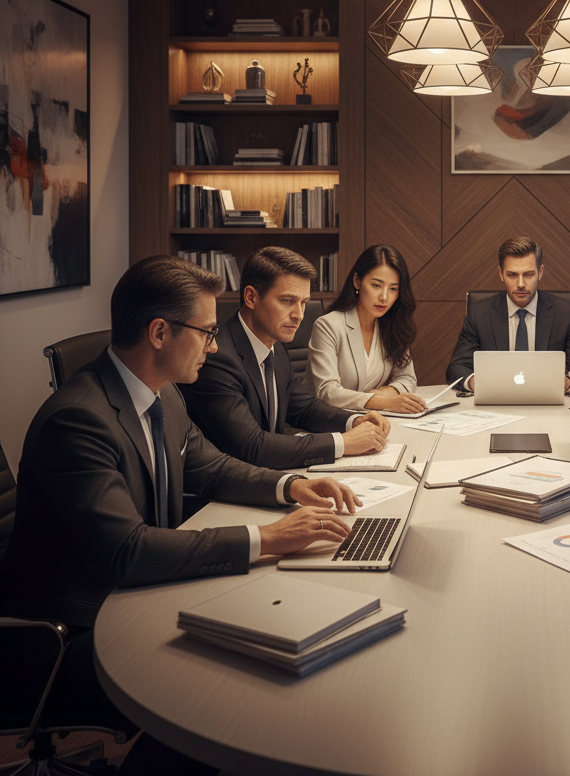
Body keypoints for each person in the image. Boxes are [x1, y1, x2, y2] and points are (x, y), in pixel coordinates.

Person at [0, 256, 364, 775]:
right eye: (208, 333)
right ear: (158, 333)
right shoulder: (79, 420)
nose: (215, 346)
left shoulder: (163, 395)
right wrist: (269, 538)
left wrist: (293, 486)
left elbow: (213, 469)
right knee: (230, 674)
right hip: (63, 635)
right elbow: (128, 553)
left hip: (133, 597)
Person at [180, 246, 391, 470]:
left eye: (303, 302)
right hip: (222, 494)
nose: (299, 315)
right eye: (287, 301)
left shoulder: (275, 346)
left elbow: (304, 408)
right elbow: (252, 447)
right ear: (251, 297)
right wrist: (343, 443)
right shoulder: (217, 357)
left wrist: (354, 421)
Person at [445, 236, 570, 393]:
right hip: (495, 402)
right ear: (501, 274)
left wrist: (566, 382)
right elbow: (457, 367)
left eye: (528, 275)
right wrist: (474, 382)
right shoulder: (480, 314)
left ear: (540, 272)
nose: (521, 284)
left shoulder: (564, 313)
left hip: (547, 403)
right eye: (512, 275)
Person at [306, 244, 425, 413]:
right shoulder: (328, 326)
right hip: (327, 424)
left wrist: (389, 392)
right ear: (357, 281)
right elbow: (328, 392)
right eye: (376, 285)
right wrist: (383, 402)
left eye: (393, 289)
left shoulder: (392, 325)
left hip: (369, 420)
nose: (384, 297)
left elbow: (407, 377)